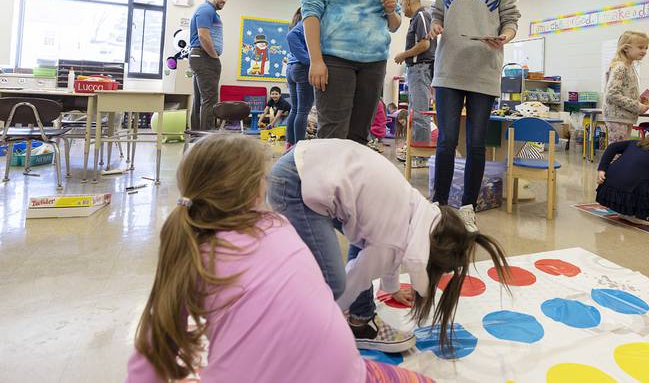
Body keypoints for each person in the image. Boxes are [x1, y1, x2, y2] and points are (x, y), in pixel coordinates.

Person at [126, 135, 434, 382]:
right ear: (258, 191)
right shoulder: (276, 226)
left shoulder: (193, 256)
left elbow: (153, 348)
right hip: (346, 370)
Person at [269, 139, 510, 354]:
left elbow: (392, 244)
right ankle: (291, 339)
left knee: (365, 247)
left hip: (308, 166)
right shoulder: (392, 242)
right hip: (294, 184)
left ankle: (352, 319)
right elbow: (359, 275)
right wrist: (332, 318)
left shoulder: (415, 212)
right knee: (334, 283)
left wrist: (391, 286)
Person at [428, 0, 521, 221]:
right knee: (446, 140)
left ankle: (468, 207)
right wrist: (436, 26)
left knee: (477, 144)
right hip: (449, 69)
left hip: (484, 69)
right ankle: (437, 205)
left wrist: (504, 37)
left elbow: (511, 20)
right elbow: (437, 13)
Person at [301, 0, 402, 144]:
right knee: (333, 133)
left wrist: (391, 9)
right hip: (336, 60)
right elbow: (311, 12)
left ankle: (349, 183)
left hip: (374, 62)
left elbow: (395, 24)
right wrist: (316, 60)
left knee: (359, 136)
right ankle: (325, 183)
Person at [394, 0, 436, 167]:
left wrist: (404, 54)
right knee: (415, 113)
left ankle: (422, 157)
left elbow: (425, 44)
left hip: (420, 69)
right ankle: (416, 151)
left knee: (420, 115)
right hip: (416, 71)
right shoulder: (417, 18)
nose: (401, 8)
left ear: (408, 2)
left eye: (401, 4)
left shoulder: (421, 15)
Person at [189, 0, 228, 131]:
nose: (224, 0)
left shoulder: (209, 11)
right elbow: (203, 35)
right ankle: (206, 140)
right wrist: (213, 56)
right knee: (209, 101)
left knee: (200, 100)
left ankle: (197, 136)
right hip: (204, 57)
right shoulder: (206, 9)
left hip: (200, 57)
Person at [603, 30, 649, 144]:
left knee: (622, 150)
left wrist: (638, 100)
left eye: (646, 48)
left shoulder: (629, 67)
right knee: (617, 151)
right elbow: (612, 94)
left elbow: (623, 92)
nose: (644, 51)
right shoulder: (621, 67)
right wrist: (637, 106)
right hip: (617, 117)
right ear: (626, 48)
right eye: (640, 47)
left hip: (624, 116)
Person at [285, 7, 313, 150]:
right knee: (302, 111)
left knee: (295, 110)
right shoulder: (306, 23)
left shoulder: (298, 23)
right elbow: (291, 36)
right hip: (301, 68)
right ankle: (298, 148)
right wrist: (310, 61)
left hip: (291, 68)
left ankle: (290, 145)